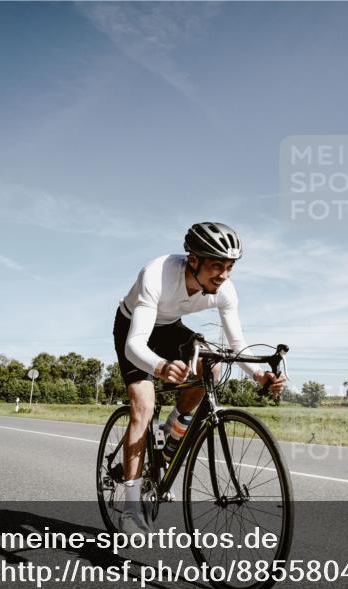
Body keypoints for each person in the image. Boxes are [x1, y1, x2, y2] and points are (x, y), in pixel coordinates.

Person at [113, 222, 286, 535]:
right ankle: (131, 509)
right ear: (193, 260)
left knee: (212, 367)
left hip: (169, 328)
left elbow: (237, 344)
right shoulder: (158, 274)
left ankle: (173, 428)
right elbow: (134, 345)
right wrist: (160, 366)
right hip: (133, 328)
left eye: (229, 267)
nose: (223, 275)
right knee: (143, 406)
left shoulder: (225, 291)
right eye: (216, 266)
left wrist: (260, 375)